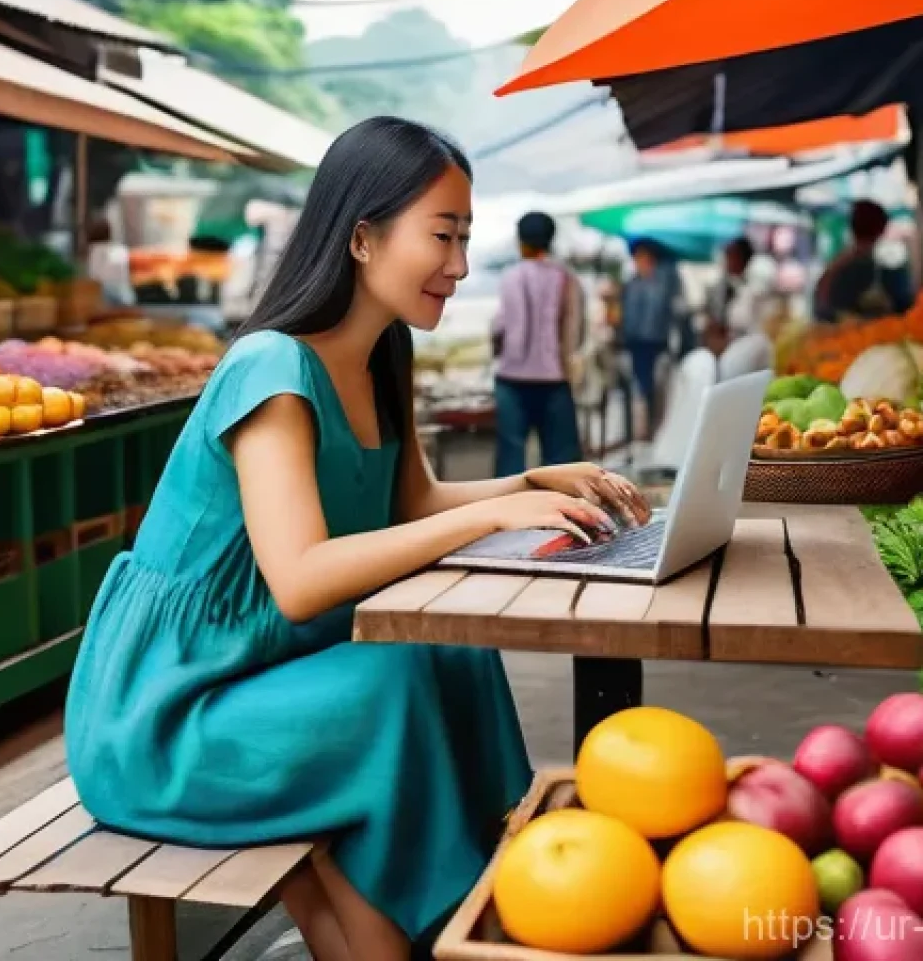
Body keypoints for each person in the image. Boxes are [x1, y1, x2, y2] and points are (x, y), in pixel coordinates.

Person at [63, 117, 651, 961]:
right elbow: (300, 578)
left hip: (267, 668)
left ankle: (494, 884)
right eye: (442, 236)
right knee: (393, 677)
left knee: (454, 646)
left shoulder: (383, 355)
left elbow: (412, 502)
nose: (457, 265)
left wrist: (531, 483)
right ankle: (434, 928)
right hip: (170, 713)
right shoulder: (271, 368)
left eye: (465, 238)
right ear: (364, 238)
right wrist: (492, 517)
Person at [490, 211, 584, 477]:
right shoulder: (566, 277)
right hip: (554, 379)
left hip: (511, 379)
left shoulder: (511, 276)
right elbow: (576, 329)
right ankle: (561, 517)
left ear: (520, 241)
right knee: (561, 464)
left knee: (511, 460)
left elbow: (499, 327)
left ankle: (510, 516)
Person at [620, 238, 684, 435]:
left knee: (656, 388)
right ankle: (643, 430)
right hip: (635, 342)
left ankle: (656, 429)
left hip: (657, 343)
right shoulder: (632, 283)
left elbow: (674, 312)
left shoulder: (665, 281)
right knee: (640, 387)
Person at [813, 199, 915, 323]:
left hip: (838, 337)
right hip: (875, 337)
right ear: (882, 228)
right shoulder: (888, 267)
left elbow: (821, 309)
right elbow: (905, 306)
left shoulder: (835, 267)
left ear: (852, 226)